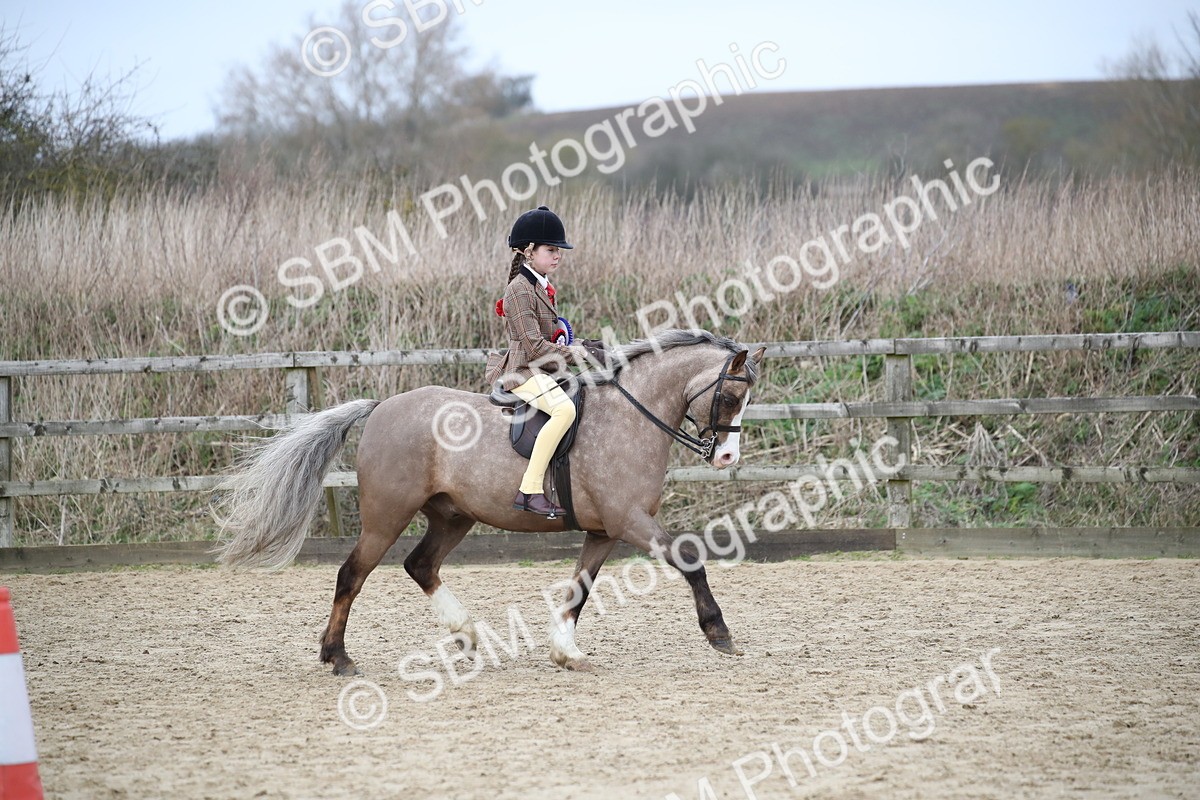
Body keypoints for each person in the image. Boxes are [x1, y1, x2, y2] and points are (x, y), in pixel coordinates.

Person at [485, 206, 591, 517]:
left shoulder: (539, 285)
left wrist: (586, 345)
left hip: (540, 368)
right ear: (529, 251)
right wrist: (573, 355)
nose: (558, 255)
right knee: (563, 410)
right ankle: (530, 490)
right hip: (522, 371)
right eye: (551, 249)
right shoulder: (518, 289)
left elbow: (552, 336)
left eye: (559, 250)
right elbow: (533, 347)